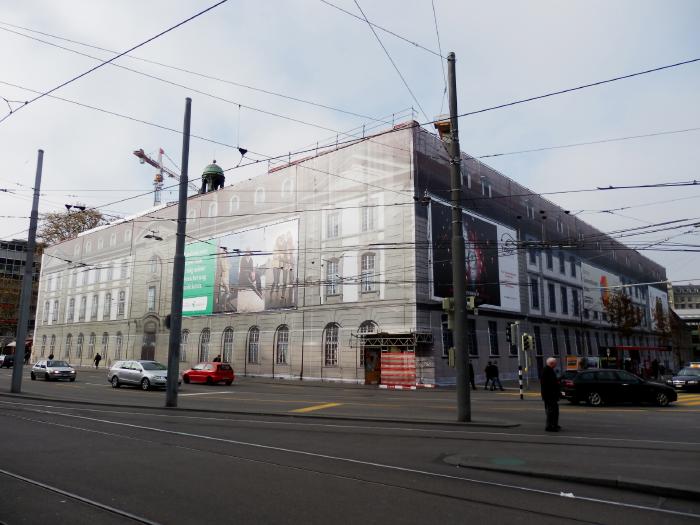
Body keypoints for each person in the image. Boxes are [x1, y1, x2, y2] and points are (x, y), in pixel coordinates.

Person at [541, 357, 561, 432]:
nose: (556, 364)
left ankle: (554, 424)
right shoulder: (546, 371)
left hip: (551, 395)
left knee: (554, 411)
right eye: (555, 363)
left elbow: (552, 382)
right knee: (551, 411)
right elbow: (549, 384)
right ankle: (549, 426)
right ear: (551, 363)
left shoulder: (549, 370)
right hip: (549, 396)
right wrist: (557, 382)